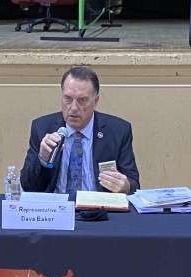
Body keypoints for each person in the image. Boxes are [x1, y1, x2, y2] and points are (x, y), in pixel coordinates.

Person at [21, 66, 140, 195]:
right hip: (57, 209)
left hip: (99, 210)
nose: (73, 108)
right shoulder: (42, 128)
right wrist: (43, 160)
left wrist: (125, 186)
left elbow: (134, 186)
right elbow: (28, 187)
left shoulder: (118, 131)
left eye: (82, 100)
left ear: (96, 101)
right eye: (68, 98)